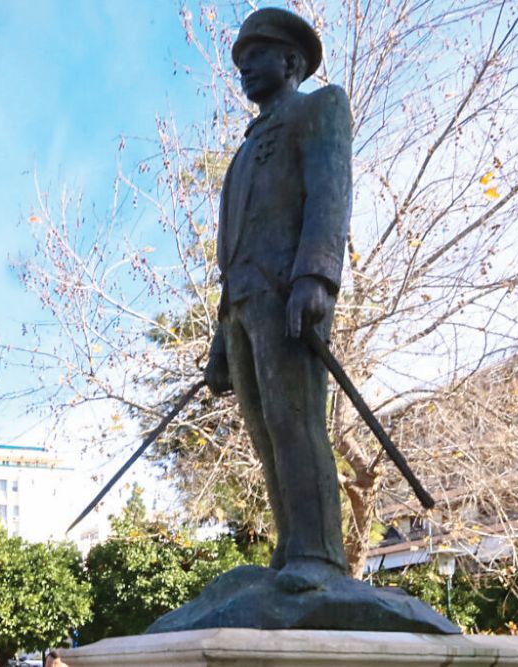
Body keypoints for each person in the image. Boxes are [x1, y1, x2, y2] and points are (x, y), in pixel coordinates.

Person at [204, 7, 352, 593]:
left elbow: (329, 194)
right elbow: (234, 247)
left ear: (290, 61)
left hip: (289, 295)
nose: (244, 68)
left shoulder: (319, 109)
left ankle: (319, 554)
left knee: (295, 420)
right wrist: (221, 337)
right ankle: (292, 546)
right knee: (265, 431)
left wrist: (316, 277)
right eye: (240, 61)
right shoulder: (243, 152)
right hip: (242, 306)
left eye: (256, 56)